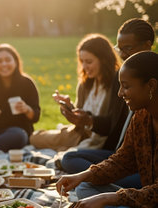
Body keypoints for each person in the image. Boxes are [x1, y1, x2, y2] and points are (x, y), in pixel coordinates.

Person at [56, 51, 158, 208]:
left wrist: (111, 198)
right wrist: (82, 176)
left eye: (126, 86)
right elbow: (122, 160)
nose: (120, 93)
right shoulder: (141, 117)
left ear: (151, 85)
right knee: (86, 187)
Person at [60, 18, 154, 189]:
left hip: (142, 173)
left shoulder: (140, 86)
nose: (122, 54)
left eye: (128, 48)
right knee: (76, 170)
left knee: (87, 187)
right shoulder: (129, 91)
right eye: (120, 48)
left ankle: (111, 189)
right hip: (122, 157)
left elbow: (113, 129)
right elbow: (123, 155)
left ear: (147, 45)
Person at [30, 34, 121, 152]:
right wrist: (69, 107)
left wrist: (89, 120)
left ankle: (64, 150)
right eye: (82, 61)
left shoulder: (116, 85)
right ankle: (63, 148)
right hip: (77, 134)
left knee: (68, 157)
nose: (84, 66)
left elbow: (113, 125)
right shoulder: (85, 84)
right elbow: (79, 117)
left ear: (104, 60)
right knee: (34, 138)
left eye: (89, 61)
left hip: (98, 140)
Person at [0, 43, 40, 152]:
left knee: (19, 135)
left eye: (8, 60)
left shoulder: (27, 83)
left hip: (17, 132)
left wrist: (26, 109)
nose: (4, 64)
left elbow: (36, 116)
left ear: (15, 61)